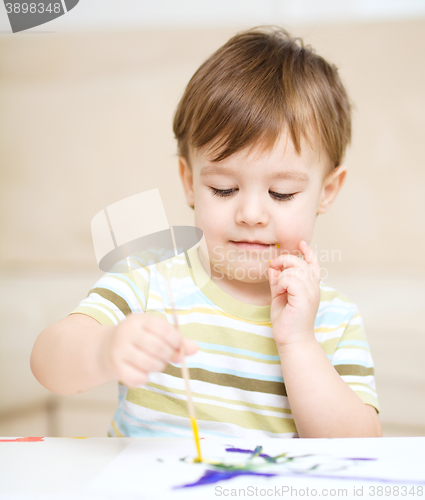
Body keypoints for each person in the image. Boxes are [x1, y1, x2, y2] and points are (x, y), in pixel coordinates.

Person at [31, 26, 381, 439]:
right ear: (188, 180)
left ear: (327, 191)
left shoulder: (331, 318)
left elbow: (358, 447)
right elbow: (47, 363)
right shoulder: (148, 281)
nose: (251, 213)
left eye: (281, 193)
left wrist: (299, 343)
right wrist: (103, 350)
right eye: (224, 189)